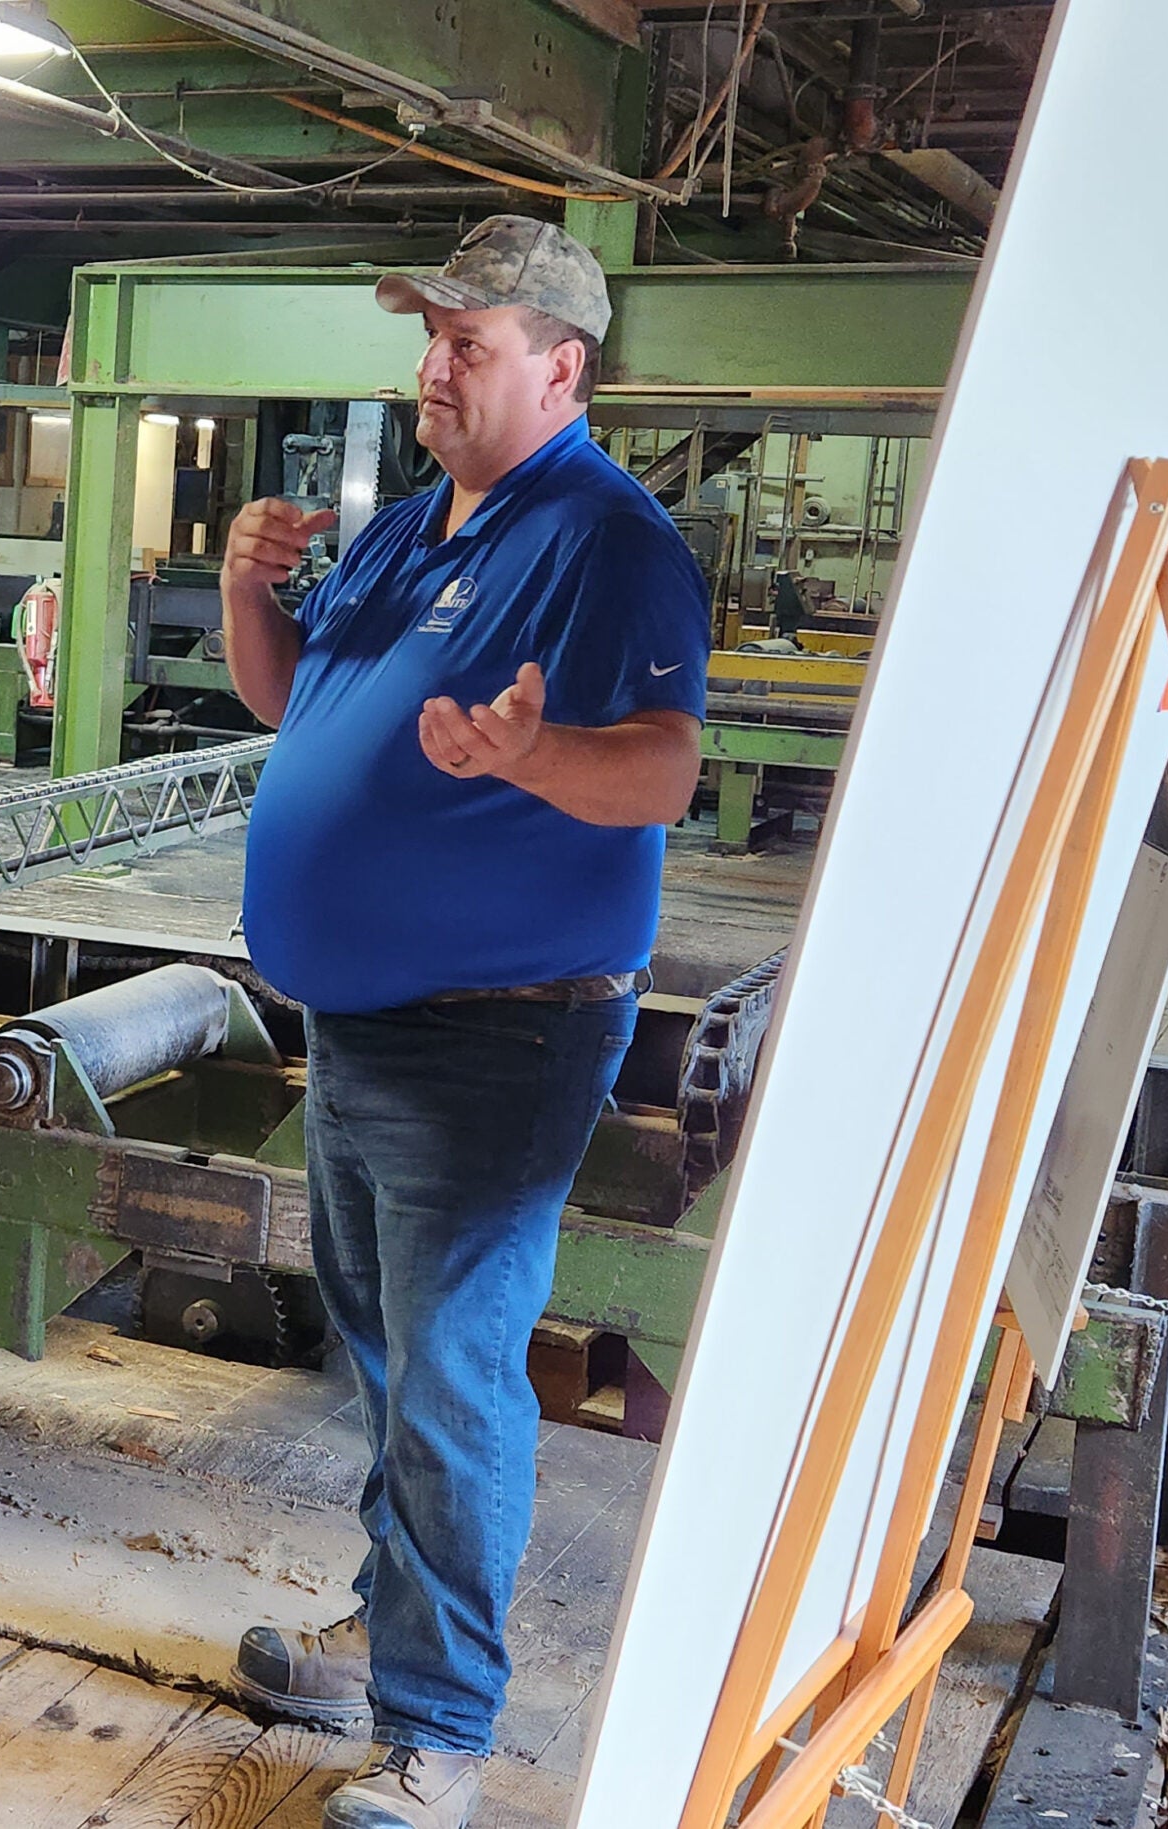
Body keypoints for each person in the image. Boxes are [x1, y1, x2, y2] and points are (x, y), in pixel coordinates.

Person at [221, 217, 710, 1829]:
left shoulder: (604, 540)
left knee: (452, 1379)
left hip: (497, 1035)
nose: (432, 369)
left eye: (470, 344)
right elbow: (293, 702)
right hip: (366, 1023)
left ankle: (446, 1735)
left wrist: (527, 762)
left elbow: (658, 767)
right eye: (430, 337)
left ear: (561, 368)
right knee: (385, 1362)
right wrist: (245, 590)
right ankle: (391, 1638)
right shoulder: (421, 522)